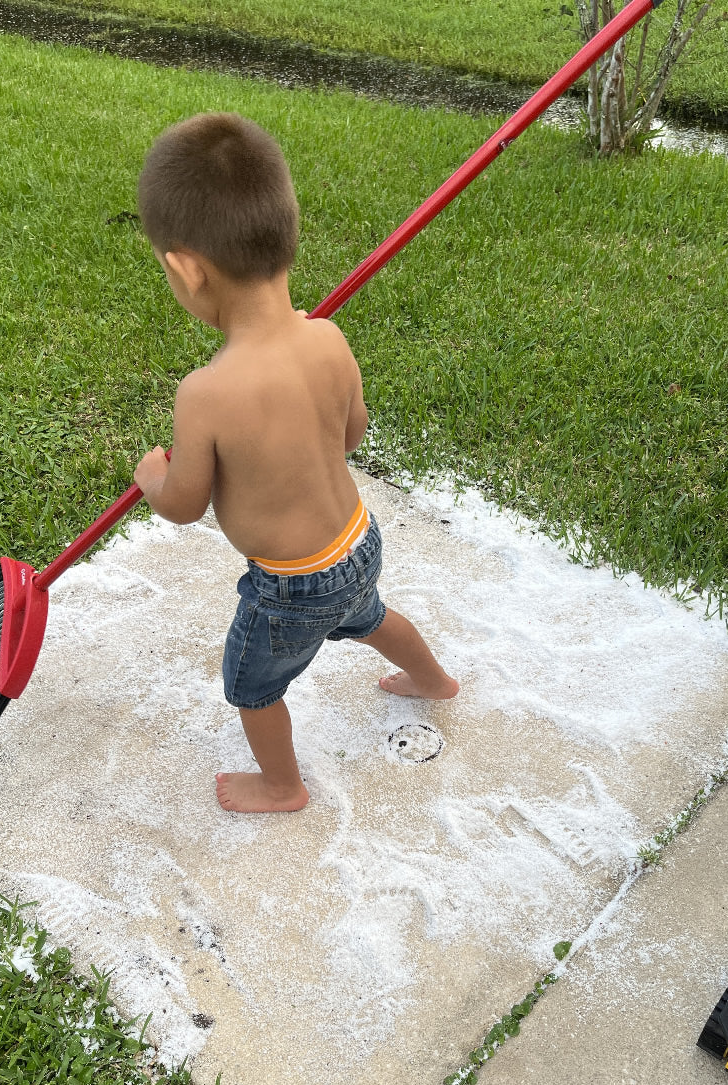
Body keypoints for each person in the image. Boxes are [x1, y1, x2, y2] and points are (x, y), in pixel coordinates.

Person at [133, 112, 458, 812]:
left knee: (252, 683)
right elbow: (351, 435)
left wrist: (150, 478)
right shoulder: (328, 339)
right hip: (357, 545)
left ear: (187, 269)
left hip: (290, 589)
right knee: (370, 616)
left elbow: (185, 503)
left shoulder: (205, 393)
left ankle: (282, 785)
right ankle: (434, 680)